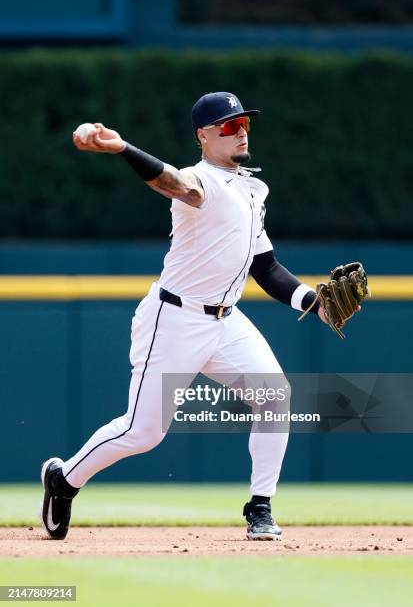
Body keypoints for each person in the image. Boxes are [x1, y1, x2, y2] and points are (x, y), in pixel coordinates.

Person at [40, 92, 326, 542]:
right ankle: (64, 477)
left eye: (244, 123)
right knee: (142, 432)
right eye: (229, 126)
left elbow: (265, 267)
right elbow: (170, 182)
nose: (240, 131)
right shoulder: (200, 179)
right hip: (174, 319)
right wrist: (123, 149)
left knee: (275, 395)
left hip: (226, 321)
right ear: (203, 136)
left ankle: (260, 507)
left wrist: (313, 301)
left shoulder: (253, 189)